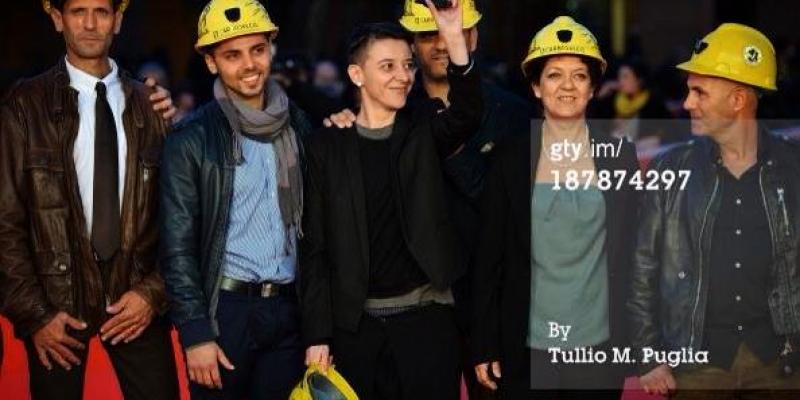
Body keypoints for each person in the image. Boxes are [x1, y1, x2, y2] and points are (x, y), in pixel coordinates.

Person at [299, 0, 482, 398]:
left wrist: (453, 36)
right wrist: (318, 335)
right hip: (356, 331)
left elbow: (468, 112)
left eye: (407, 65)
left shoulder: (424, 126)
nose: (403, 76)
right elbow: (314, 248)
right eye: (388, 67)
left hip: (428, 325)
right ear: (356, 74)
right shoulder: (325, 146)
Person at [0, 0, 179, 399]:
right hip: (55, 301)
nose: (90, 23)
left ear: (118, 19)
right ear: (56, 17)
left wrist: (153, 294)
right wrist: (36, 315)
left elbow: (179, 219)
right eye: (79, 11)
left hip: (136, 296)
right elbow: (6, 220)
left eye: (101, 11)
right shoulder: (24, 106)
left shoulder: (151, 107)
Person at [471, 16, 639, 399]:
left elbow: (635, 253)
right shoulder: (510, 159)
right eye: (554, 75)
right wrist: (484, 342)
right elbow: (489, 259)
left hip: (597, 348)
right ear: (535, 85)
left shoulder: (618, 157)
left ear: (594, 87)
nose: (567, 86)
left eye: (579, 76)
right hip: (527, 347)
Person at [630, 23, 800, 399]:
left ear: (738, 100)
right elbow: (642, 267)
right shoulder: (669, 169)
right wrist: (648, 355)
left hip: (782, 369)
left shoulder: (794, 168)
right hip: (695, 369)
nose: (687, 103)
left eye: (699, 92)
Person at [159, 0, 311, 398]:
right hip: (225, 312)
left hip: (289, 308)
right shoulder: (190, 139)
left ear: (270, 50)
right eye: (232, 55)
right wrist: (195, 334)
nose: (249, 65)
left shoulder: (299, 124)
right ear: (211, 63)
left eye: (257, 50)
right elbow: (177, 247)